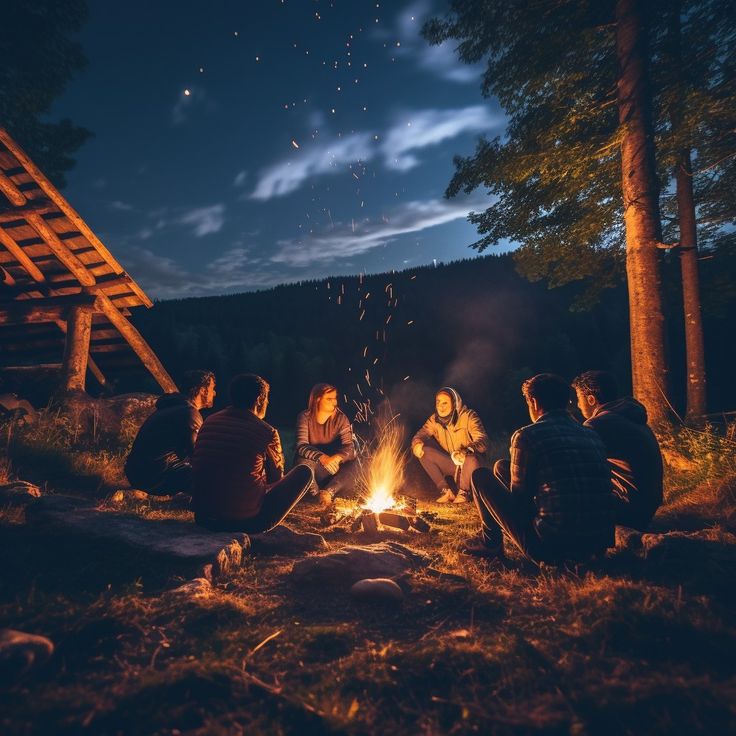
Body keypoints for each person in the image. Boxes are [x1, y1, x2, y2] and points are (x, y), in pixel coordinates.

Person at [465, 373, 614, 563]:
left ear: (534, 403)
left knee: (480, 476)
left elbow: (520, 502)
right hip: (597, 544)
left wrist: (501, 508)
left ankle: (490, 542)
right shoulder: (591, 434)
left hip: (551, 547)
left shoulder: (527, 436)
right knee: (502, 467)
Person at [192, 373, 313, 533]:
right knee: (305, 472)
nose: (268, 402)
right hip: (244, 522)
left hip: (203, 516)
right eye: (267, 399)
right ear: (259, 400)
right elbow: (276, 479)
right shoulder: (267, 432)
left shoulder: (209, 421)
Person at [572, 370, 663, 530]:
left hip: (627, 507)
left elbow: (577, 464)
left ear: (591, 399)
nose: (578, 405)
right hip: (647, 506)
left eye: (579, 400)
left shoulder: (598, 424)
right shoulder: (631, 417)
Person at [124, 369, 216, 496]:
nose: (215, 393)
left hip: (137, 474)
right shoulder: (189, 413)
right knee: (211, 476)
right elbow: (197, 455)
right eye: (212, 388)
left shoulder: (172, 407)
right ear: (202, 390)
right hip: (155, 476)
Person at [411, 387, 489, 504]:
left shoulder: (468, 416)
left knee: (470, 458)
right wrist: (417, 443)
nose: (441, 406)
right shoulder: (435, 420)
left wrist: (467, 450)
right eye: (438, 402)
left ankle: (464, 493)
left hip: (473, 467)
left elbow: (483, 440)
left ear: (454, 403)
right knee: (424, 451)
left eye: (445, 403)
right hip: (456, 467)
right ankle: (446, 492)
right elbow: (420, 435)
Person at [295, 383, 357, 507]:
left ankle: (328, 492)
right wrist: (323, 458)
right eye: (329, 399)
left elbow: (349, 447)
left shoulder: (341, 418)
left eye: (335, 398)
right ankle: (315, 494)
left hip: (335, 469)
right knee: (302, 463)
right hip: (315, 468)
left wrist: (337, 457)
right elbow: (301, 446)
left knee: (356, 465)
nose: (334, 402)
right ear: (317, 399)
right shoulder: (305, 417)